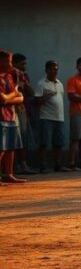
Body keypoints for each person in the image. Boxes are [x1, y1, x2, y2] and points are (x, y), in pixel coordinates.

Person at [36, 60, 68, 173]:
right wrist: (46, 96)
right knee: (44, 143)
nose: (54, 71)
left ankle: (57, 165)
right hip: (46, 117)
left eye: (56, 68)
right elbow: (37, 101)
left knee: (58, 143)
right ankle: (43, 166)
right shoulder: (41, 83)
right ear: (46, 70)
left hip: (59, 118)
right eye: (52, 69)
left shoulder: (60, 83)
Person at [0, 50, 26, 185]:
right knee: (1, 148)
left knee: (10, 147)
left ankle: (8, 174)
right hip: (1, 117)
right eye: (7, 61)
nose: (10, 64)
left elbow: (21, 98)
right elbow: (2, 99)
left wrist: (11, 96)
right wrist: (14, 93)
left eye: (10, 61)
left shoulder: (9, 77)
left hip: (11, 115)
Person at [11, 54, 37, 176]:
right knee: (14, 139)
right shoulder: (8, 76)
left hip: (23, 109)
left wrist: (24, 80)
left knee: (23, 138)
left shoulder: (23, 76)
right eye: (22, 64)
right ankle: (13, 166)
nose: (24, 67)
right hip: (12, 110)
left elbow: (31, 92)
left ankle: (23, 164)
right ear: (14, 64)